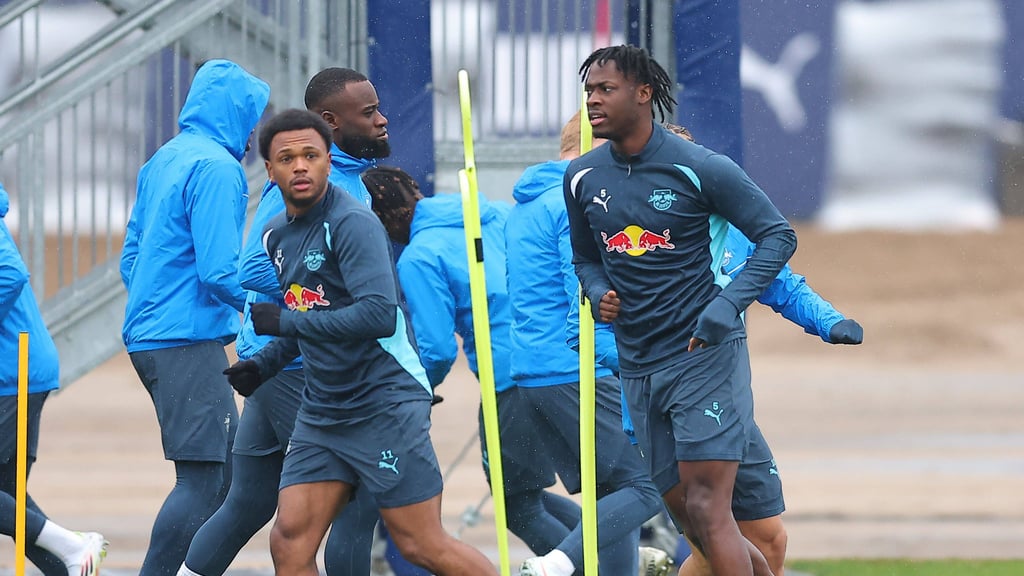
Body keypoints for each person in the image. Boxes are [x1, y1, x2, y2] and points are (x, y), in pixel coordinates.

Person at [224, 108, 499, 576]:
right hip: (323, 411)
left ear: (329, 160)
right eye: (287, 158)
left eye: (311, 155)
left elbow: (375, 316)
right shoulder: (274, 235)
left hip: (384, 405)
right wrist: (265, 364)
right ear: (268, 171)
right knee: (290, 543)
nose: (301, 166)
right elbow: (314, 313)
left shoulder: (353, 223)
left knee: (420, 544)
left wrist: (285, 324)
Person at [564, 45, 798, 576]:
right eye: (590, 90)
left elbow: (777, 235)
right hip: (639, 367)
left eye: (606, 89)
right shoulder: (581, 176)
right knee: (690, 524)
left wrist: (728, 304)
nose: (592, 100)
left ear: (644, 94)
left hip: (704, 359)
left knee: (707, 508)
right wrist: (597, 289)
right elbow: (584, 257)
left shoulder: (699, 167)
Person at [177, 66, 388, 576]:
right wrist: (331, 295)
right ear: (331, 123)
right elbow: (252, 266)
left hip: (281, 364)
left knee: (247, 504)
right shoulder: (305, 183)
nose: (382, 121)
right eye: (369, 113)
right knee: (357, 498)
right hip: (299, 368)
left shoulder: (348, 183)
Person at [363, 166, 590, 573]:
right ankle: (612, 557)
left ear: (384, 220)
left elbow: (434, 349)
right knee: (536, 493)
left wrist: (415, 390)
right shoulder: (493, 213)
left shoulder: (419, 256)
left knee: (516, 503)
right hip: (562, 362)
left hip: (509, 375)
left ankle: (597, 567)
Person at [119, 58, 269, 576]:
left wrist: (154, 303)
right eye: (252, 118)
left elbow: (129, 259)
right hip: (186, 340)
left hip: (153, 336)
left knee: (224, 476)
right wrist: (273, 313)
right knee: (204, 480)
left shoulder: (164, 158)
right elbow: (220, 272)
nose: (253, 132)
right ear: (238, 116)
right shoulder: (220, 169)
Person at [507, 114, 668, 576]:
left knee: (611, 493)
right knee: (646, 485)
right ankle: (558, 563)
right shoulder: (571, 200)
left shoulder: (527, 202)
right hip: (576, 367)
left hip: (539, 370)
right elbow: (580, 284)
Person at [0, 181, 107, 576]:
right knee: (9, 499)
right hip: (17, 370)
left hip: (15, 370)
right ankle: (73, 560)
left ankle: (75, 545)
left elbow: (10, 274)